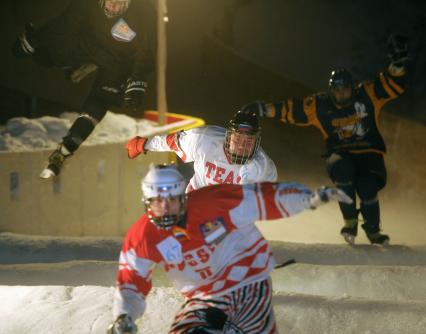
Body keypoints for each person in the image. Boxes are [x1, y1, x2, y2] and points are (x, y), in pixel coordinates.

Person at [107, 164, 351, 334]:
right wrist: (124, 315)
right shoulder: (142, 236)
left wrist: (309, 199)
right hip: (204, 297)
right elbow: (131, 281)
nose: (167, 208)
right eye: (158, 202)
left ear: (183, 197)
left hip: (250, 285)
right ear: (147, 203)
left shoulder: (214, 202)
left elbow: (264, 198)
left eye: (172, 200)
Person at [240, 34, 409, 245]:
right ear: (331, 91)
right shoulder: (320, 105)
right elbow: (293, 110)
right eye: (336, 91)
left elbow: (391, 85)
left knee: (367, 188)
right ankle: (349, 222)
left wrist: (398, 63)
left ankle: (373, 231)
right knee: (344, 172)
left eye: (345, 89)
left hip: (369, 153)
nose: (341, 95)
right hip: (340, 154)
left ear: (352, 87)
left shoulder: (367, 95)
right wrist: (263, 109)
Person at [12, 0, 157, 178]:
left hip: (119, 61)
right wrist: (35, 42)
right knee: (47, 55)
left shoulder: (143, 12)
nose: (112, 8)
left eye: (118, 3)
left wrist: (137, 81)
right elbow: (64, 24)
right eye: (109, 2)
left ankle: (67, 147)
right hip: (91, 44)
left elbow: (147, 50)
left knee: (101, 99)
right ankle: (69, 64)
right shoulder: (88, 4)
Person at [126, 109, 278, 192]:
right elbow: (172, 142)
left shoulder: (263, 167)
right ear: (228, 136)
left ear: (256, 142)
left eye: (248, 141)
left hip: (230, 214)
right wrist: (143, 144)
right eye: (238, 139)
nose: (242, 146)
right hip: (196, 201)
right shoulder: (203, 139)